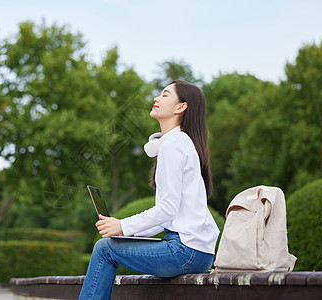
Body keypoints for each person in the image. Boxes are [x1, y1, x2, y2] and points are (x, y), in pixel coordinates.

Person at [78, 80, 219, 300]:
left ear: (181, 107)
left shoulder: (174, 145)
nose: (156, 98)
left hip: (186, 251)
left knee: (104, 250)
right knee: (109, 246)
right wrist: (125, 231)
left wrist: (123, 225)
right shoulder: (179, 143)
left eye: (164, 95)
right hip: (195, 251)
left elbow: (167, 210)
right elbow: (168, 217)